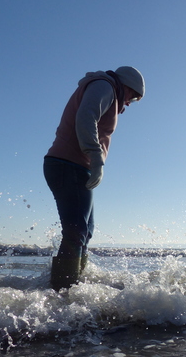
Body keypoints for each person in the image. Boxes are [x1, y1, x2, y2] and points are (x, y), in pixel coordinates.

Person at [44, 66, 145, 290]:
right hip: (68, 165)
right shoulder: (104, 86)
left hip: (73, 166)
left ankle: (73, 287)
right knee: (76, 231)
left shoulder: (105, 87)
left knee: (84, 231)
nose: (129, 103)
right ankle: (62, 294)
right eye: (133, 97)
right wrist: (96, 157)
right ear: (127, 85)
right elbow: (86, 117)